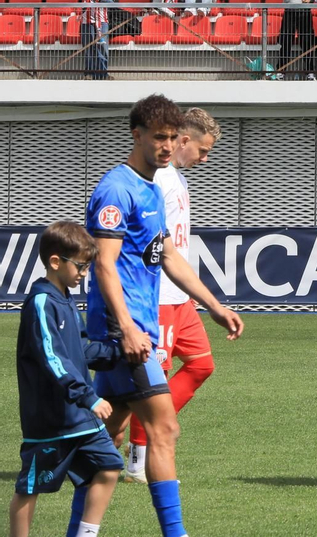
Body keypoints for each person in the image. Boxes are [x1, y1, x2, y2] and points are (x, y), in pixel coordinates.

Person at [86, 94, 243, 537]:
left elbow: (168, 256)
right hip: (126, 333)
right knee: (164, 428)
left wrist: (214, 306)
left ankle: (72, 516)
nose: (168, 145)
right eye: (160, 137)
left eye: (174, 137)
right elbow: (104, 263)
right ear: (137, 135)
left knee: (106, 436)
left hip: (135, 328)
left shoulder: (153, 188)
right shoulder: (118, 188)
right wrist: (130, 328)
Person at [123, 108, 222, 484]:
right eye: (202, 150)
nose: (205, 159)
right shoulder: (157, 180)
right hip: (158, 298)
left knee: (202, 365)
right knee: (153, 382)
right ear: (183, 140)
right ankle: (138, 457)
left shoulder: (175, 178)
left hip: (180, 299)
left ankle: (149, 432)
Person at [10, 221, 123, 537]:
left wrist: (123, 353)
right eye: (81, 266)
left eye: (88, 266)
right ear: (56, 262)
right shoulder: (41, 302)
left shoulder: (66, 298)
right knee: (30, 487)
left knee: (110, 466)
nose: (84, 274)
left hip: (80, 418)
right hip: (51, 421)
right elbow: (53, 359)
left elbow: (82, 349)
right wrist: (89, 396)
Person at [71, 0, 114, 80]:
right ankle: (89, 74)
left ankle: (103, 74)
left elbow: (112, 1)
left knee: (102, 48)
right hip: (86, 21)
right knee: (88, 48)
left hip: (102, 21)